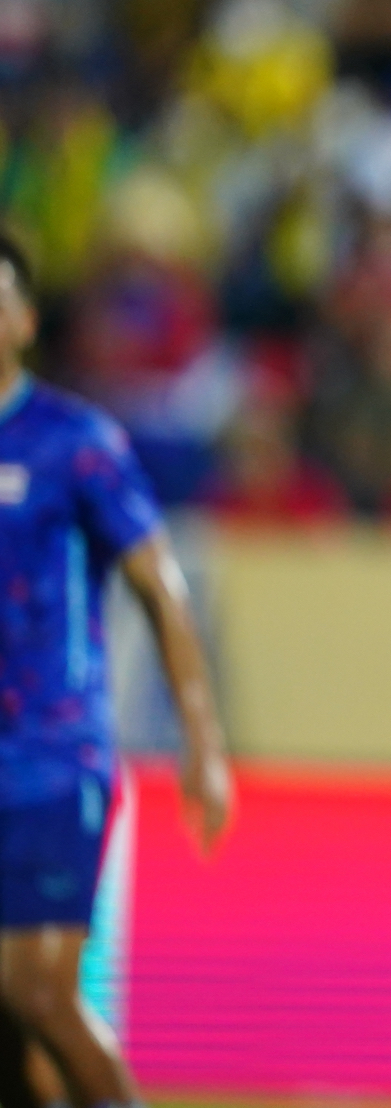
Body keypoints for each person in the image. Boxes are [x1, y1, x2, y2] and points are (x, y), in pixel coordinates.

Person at [0, 233, 233, 1108]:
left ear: (23, 319)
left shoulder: (76, 442)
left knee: (34, 989)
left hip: (53, 755)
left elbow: (160, 588)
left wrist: (202, 741)